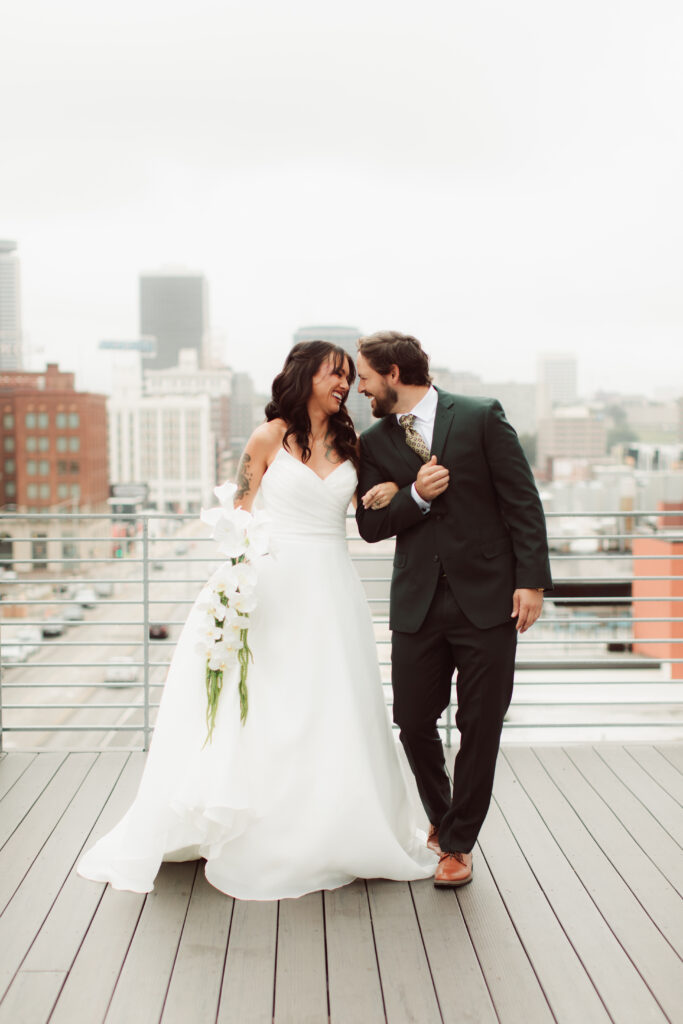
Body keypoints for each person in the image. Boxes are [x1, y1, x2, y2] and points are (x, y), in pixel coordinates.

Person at [78, 341, 436, 900]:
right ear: (305, 376)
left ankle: (334, 825)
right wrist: (238, 582)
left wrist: (394, 488)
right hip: (272, 585)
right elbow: (236, 517)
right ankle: (262, 825)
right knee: (272, 702)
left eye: (349, 376)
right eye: (335, 373)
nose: (344, 384)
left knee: (332, 701)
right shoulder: (268, 437)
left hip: (333, 588)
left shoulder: (354, 443)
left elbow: (374, 507)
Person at [355, 331, 552, 888]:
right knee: (413, 721)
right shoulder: (373, 443)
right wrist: (414, 494)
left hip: (489, 598)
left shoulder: (480, 415)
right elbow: (370, 526)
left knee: (480, 723)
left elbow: (522, 500)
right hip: (416, 601)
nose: (361, 388)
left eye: (366, 377)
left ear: (394, 373)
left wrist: (531, 581)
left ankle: (458, 843)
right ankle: (444, 817)